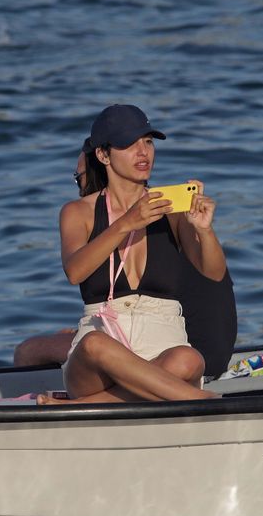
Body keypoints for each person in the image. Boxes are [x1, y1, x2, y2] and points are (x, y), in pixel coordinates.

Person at [43, 105, 227, 405]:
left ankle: (85, 407)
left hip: (164, 345)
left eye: (149, 142)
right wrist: (128, 222)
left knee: (189, 359)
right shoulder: (78, 212)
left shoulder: (173, 210)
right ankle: (211, 401)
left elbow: (214, 272)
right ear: (103, 156)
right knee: (92, 345)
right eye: (130, 144)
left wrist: (205, 231)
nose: (143, 152)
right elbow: (75, 271)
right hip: (99, 360)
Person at [15, 151, 239, 377]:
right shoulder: (173, 218)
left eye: (80, 176)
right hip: (204, 351)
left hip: (181, 350)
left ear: (103, 165)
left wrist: (204, 229)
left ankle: (63, 403)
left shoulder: (168, 216)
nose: (80, 186)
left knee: (29, 351)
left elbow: (76, 275)